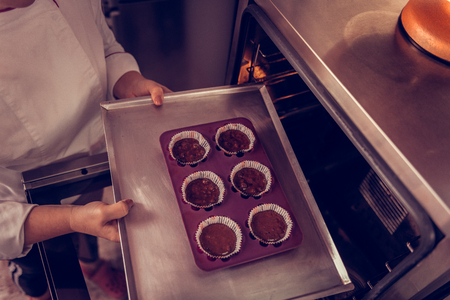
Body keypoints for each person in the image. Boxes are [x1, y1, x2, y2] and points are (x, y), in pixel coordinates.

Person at [0, 0, 171, 299]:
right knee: (36, 269)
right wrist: (69, 218)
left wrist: (129, 81)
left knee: (92, 225)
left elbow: (104, 46)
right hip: (24, 199)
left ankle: (90, 263)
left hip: (92, 151)